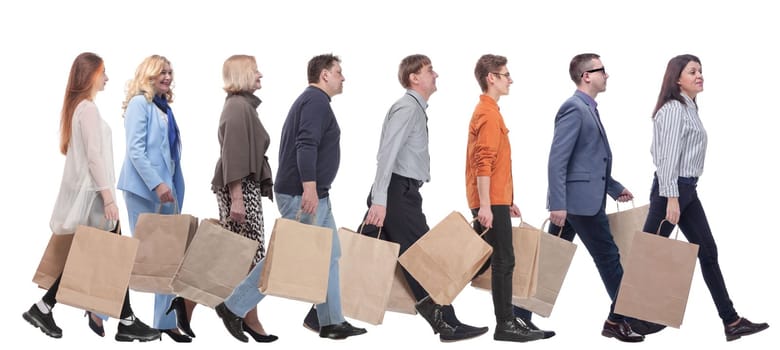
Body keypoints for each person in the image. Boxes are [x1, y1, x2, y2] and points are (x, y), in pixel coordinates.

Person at [346, 54, 487, 342]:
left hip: (399, 193)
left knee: (361, 254)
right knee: (424, 259)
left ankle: (322, 314)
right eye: (429, 71)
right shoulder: (407, 108)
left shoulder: (413, 109)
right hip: (396, 194)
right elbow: (387, 155)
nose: (436, 75)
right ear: (415, 78)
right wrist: (380, 200)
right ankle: (446, 323)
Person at [22, 52, 160, 342]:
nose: (107, 78)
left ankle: (119, 318)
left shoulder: (81, 109)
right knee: (105, 255)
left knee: (106, 255)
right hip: (98, 197)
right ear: (91, 76)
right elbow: (95, 158)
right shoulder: (87, 110)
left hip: (95, 195)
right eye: (103, 72)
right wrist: (109, 198)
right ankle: (51, 308)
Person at [640, 54, 769, 342]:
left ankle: (731, 321)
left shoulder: (688, 108)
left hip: (687, 191)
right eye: (692, 71)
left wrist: (680, 194)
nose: (699, 75)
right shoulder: (674, 109)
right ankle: (626, 318)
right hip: (672, 190)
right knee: (650, 255)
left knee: (708, 252)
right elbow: (666, 157)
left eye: (700, 71)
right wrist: (671, 197)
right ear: (677, 79)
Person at [544, 53, 643, 342]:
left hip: (582, 200)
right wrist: (557, 204)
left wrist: (614, 188)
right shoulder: (574, 108)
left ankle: (518, 317)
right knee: (609, 258)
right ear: (587, 75)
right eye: (602, 70)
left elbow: (586, 161)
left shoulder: (588, 108)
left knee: (549, 262)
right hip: (578, 205)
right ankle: (623, 318)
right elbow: (557, 160)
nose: (606, 75)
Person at [275, 53, 365, 340]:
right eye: (338, 72)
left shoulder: (316, 101)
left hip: (316, 195)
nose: (343, 77)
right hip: (304, 195)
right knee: (285, 258)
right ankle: (234, 306)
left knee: (331, 256)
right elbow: (306, 144)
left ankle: (331, 321)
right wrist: (310, 188)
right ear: (324, 75)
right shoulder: (315, 100)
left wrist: (316, 190)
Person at [465, 54, 544, 343]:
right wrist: (486, 205)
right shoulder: (487, 114)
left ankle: (509, 322)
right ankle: (506, 324)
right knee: (502, 260)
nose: (510, 79)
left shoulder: (492, 111)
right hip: (489, 202)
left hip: (496, 200)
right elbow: (482, 162)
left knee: (499, 259)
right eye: (505, 74)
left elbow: (496, 163)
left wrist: (506, 199)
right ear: (491, 78)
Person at [117, 54, 195, 342]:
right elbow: (135, 151)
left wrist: (171, 187)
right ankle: (109, 311)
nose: (168, 76)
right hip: (143, 190)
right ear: (149, 74)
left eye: (170, 72)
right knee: (139, 256)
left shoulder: (163, 108)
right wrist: (157, 184)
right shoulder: (140, 104)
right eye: (162, 72)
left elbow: (168, 154)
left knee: (167, 256)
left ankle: (164, 322)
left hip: (167, 193)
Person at [211, 54, 278, 343]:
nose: (260, 74)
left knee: (248, 257)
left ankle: (248, 317)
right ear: (241, 75)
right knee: (247, 257)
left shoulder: (242, 107)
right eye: (255, 71)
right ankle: (239, 313)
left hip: (244, 188)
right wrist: (237, 198)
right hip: (240, 190)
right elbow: (233, 156)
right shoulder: (238, 107)